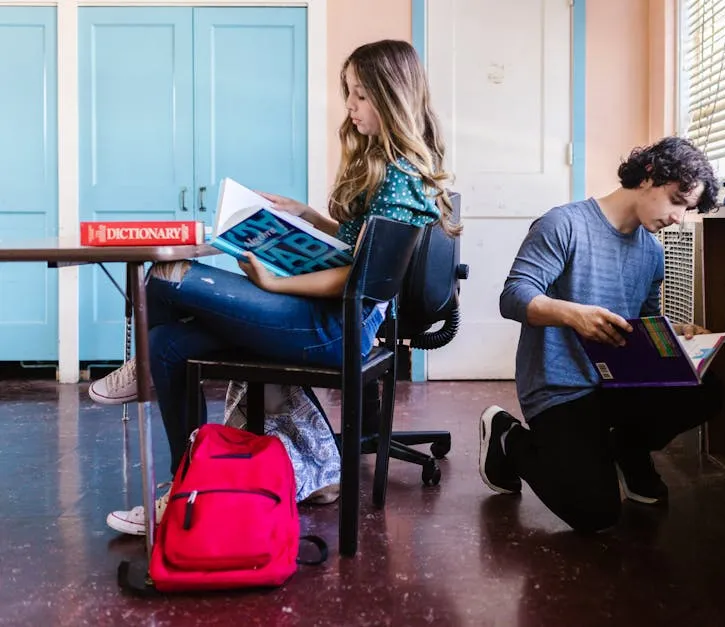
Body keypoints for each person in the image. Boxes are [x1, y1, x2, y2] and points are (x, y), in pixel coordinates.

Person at [89, 39, 460, 536]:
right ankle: (187, 490)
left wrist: (278, 280)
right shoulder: (395, 169)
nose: (349, 106)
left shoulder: (400, 176)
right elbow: (361, 249)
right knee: (167, 344)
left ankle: (144, 381)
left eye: (360, 95)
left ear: (391, 97)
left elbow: (359, 281)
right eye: (348, 93)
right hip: (331, 319)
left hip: (335, 328)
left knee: (165, 277)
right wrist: (308, 218)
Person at [478, 136, 722, 533]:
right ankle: (507, 437)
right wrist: (573, 315)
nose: (680, 217)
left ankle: (627, 449)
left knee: (708, 389)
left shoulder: (651, 252)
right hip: (560, 388)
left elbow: (643, 322)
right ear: (649, 175)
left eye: (687, 208)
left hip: (616, 384)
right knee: (596, 514)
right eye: (677, 200)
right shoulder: (565, 223)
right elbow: (513, 297)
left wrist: (676, 335)